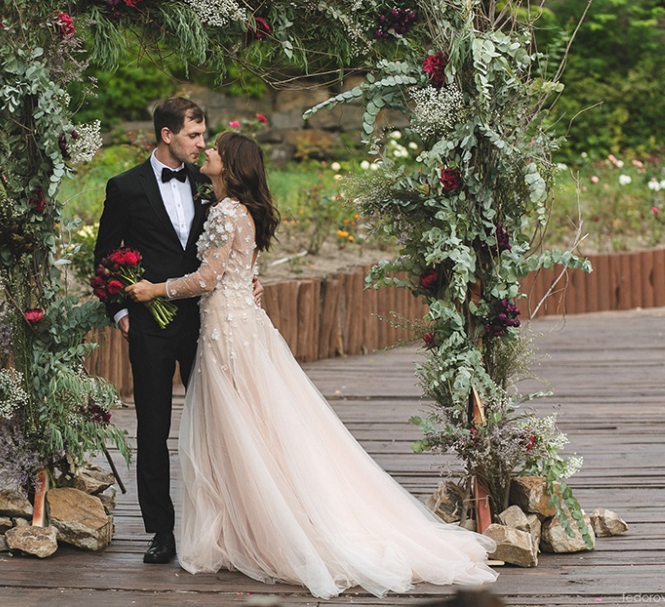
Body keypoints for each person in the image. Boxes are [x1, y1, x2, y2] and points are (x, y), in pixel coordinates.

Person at [126, 131, 498, 598]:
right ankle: (247, 525)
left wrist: (154, 290)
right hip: (241, 323)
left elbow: (207, 278)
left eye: (216, 147)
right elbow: (241, 270)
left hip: (228, 331)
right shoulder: (242, 210)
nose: (209, 151)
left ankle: (264, 528)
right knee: (252, 428)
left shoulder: (225, 211)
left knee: (240, 430)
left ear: (231, 164)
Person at [94, 98, 262, 564]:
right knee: (153, 429)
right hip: (148, 324)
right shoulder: (125, 187)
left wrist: (250, 278)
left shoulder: (208, 184)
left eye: (204, 136)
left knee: (218, 422)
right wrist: (119, 312)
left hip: (205, 322)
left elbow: (231, 244)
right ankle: (162, 532)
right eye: (194, 135)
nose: (202, 144)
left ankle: (226, 523)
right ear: (167, 135)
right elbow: (105, 255)